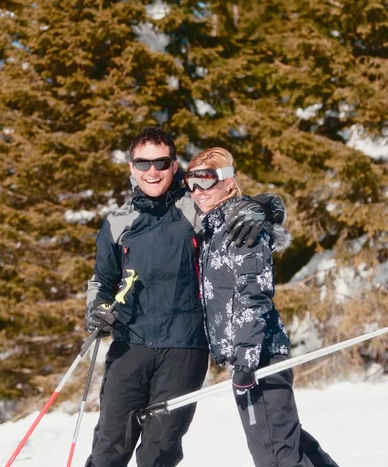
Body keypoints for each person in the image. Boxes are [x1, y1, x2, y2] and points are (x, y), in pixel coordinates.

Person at [84, 127, 285, 467]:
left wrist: (266, 207)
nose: (152, 171)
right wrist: (97, 308)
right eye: (143, 162)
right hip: (130, 348)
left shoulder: (195, 209)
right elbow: (102, 281)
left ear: (174, 166)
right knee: (109, 447)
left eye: (161, 162)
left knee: (159, 451)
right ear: (131, 167)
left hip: (185, 349)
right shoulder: (118, 222)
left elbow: (235, 204)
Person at [185, 147, 340, 467]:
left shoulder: (242, 226)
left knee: (274, 455)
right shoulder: (215, 226)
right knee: (287, 440)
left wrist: (246, 359)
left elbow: (253, 294)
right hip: (251, 355)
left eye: (207, 180)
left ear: (229, 183)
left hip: (258, 357)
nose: (198, 191)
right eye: (191, 182)